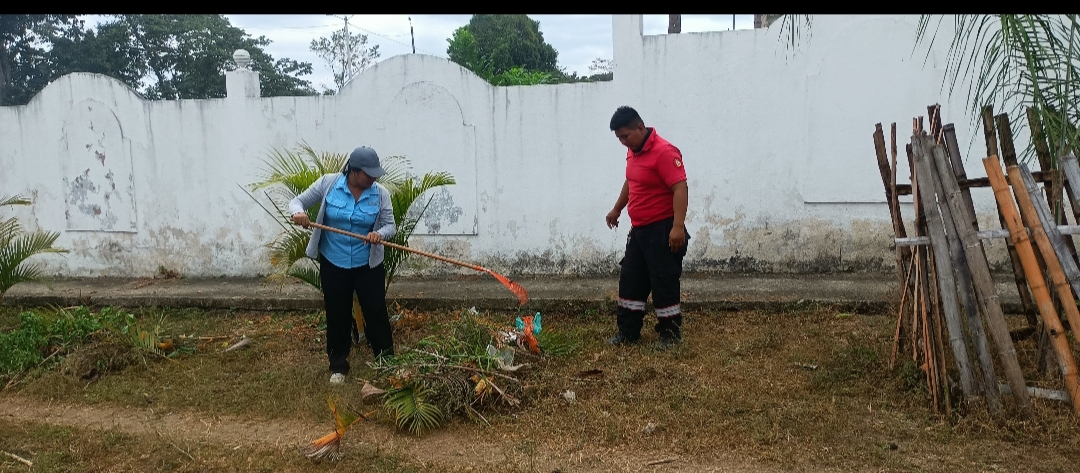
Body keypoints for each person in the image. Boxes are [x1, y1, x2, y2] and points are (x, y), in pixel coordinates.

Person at [290, 146, 397, 384]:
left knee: (376, 312)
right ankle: (338, 366)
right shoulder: (328, 184)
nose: (373, 178)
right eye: (368, 174)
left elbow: (390, 225)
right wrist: (299, 213)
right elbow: (297, 202)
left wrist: (379, 234)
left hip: (367, 264)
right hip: (334, 262)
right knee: (337, 313)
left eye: (375, 174)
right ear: (354, 171)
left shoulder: (380, 194)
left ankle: (386, 363)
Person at [604, 106, 690, 349]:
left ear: (640, 128)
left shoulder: (664, 152)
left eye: (625, 136)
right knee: (631, 280)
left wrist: (678, 227)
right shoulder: (634, 151)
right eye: (619, 138)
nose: (622, 142)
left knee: (664, 282)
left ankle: (670, 335)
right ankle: (628, 332)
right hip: (639, 231)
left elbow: (680, 188)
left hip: (662, 230)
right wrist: (617, 208)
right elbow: (632, 181)